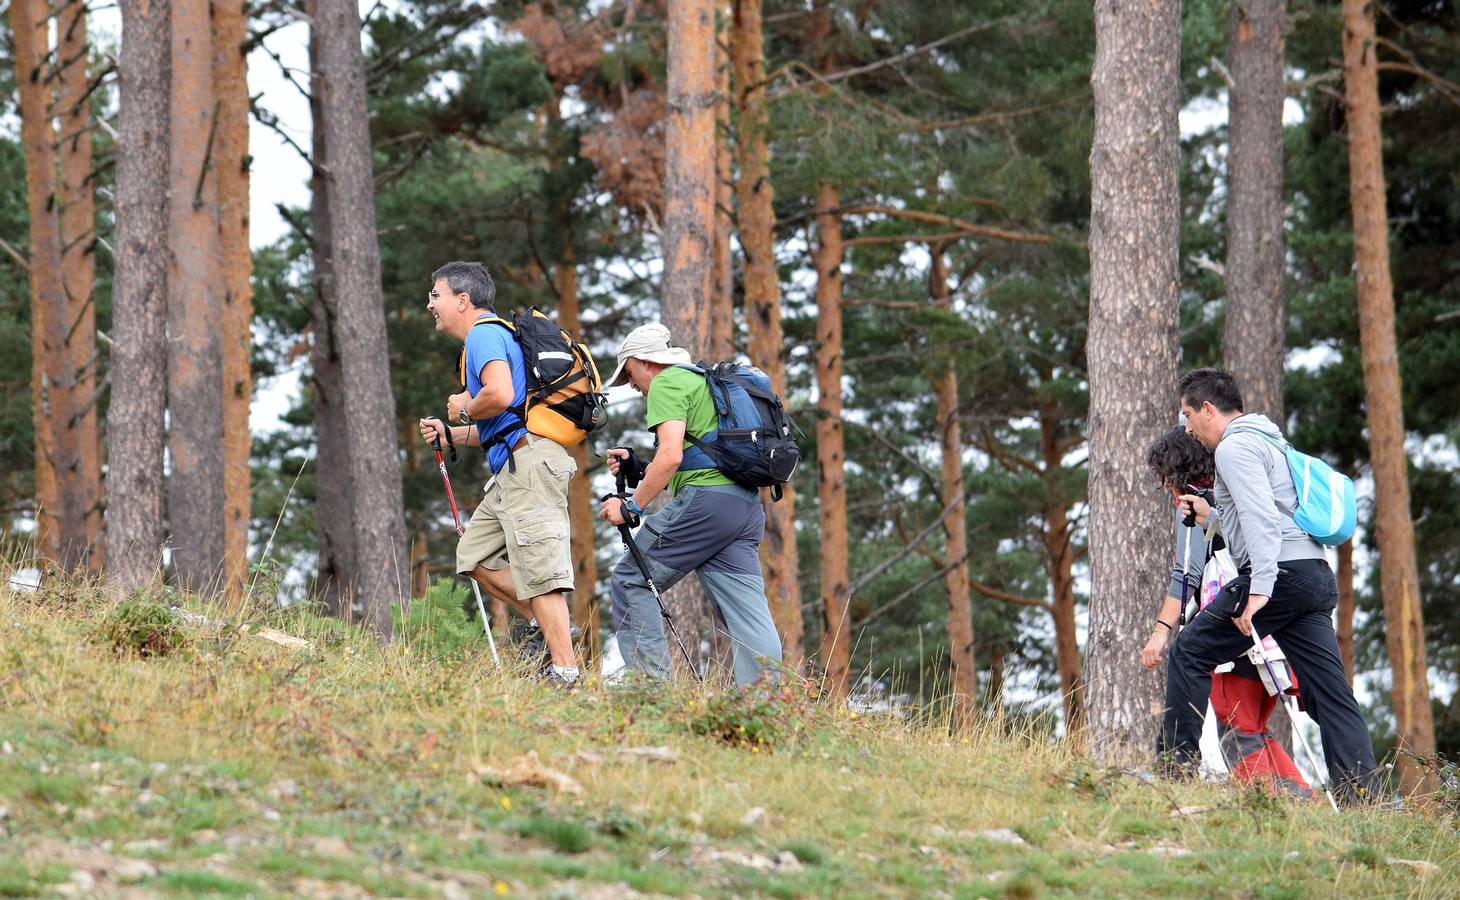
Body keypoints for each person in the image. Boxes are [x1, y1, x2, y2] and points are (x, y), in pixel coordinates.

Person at [1162, 368, 1380, 802]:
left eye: (1188, 414)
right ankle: (1365, 800)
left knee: (1189, 651)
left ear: (1208, 409)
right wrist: (1212, 516)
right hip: (1314, 575)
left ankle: (1174, 772)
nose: (1186, 426)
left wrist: (1259, 589)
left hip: (1278, 576)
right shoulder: (1270, 441)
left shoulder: (1233, 447)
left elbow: (1262, 521)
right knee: (1330, 693)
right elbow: (1261, 516)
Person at [416, 261, 580, 686]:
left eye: (436, 295)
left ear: (462, 300)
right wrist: (453, 435)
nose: (430, 304)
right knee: (472, 555)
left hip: (529, 465)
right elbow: (503, 420)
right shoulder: (486, 337)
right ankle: (548, 629)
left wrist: (463, 405)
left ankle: (565, 672)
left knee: (539, 569)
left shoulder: (484, 333)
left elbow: (500, 394)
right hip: (513, 461)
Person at [598, 323, 782, 686]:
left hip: (706, 505)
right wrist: (640, 470)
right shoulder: (701, 381)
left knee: (629, 580)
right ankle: (766, 703)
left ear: (646, 362)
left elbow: (671, 457)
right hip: (743, 507)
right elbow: (701, 454)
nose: (631, 384)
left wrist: (631, 507)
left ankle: (652, 694)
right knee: (748, 616)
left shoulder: (666, 383)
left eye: (630, 373)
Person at [1144, 426, 1311, 799]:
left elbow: (1185, 576)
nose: (1166, 486)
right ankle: (1301, 799)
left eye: (1164, 476)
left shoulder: (1193, 504)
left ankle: (1262, 802)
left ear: (1176, 473)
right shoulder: (1234, 493)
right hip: (1274, 631)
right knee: (1250, 726)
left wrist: (1161, 631)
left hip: (1235, 630)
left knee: (1237, 727)